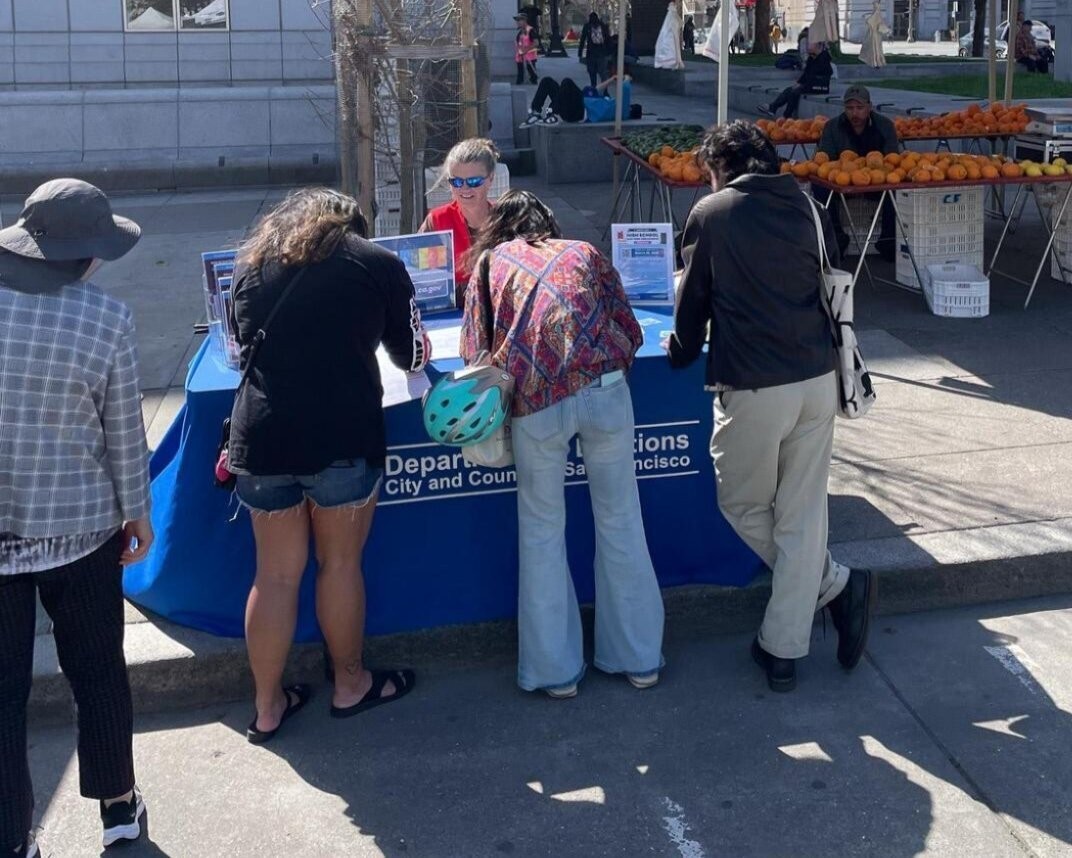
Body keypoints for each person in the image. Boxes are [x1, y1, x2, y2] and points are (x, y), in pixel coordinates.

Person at [667, 121, 875, 693]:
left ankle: (831, 584)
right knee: (802, 514)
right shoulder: (809, 204)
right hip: (816, 376)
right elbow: (833, 269)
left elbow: (691, 312)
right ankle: (784, 645)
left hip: (754, 382)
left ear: (719, 167)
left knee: (741, 501)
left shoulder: (711, 214)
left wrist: (677, 352)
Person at [229, 188, 428, 744]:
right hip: (342, 435)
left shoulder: (252, 267)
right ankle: (350, 684)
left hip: (264, 439)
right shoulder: (377, 263)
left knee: (273, 577)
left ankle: (267, 707)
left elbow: (240, 346)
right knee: (339, 565)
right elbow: (411, 353)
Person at [460, 190, 665, 699]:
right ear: (548, 223)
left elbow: (473, 352)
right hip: (606, 391)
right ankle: (639, 658)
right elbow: (628, 327)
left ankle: (554, 673)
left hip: (537, 404)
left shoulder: (489, 264)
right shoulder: (585, 252)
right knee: (622, 521)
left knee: (541, 532)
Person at [0, 179, 153, 856]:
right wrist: (138, 515)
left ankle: (14, 835)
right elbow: (123, 433)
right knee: (97, 672)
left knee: (2, 700)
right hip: (84, 527)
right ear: (86, 256)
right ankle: (119, 809)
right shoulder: (106, 319)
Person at [815, 84, 899, 261]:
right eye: (850, 108)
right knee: (819, 187)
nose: (855, 113)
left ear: (869, 107)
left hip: (877, 182)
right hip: (841, 183)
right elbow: (825, 160)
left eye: (860, 108)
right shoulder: (832, 127)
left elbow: (893, 160)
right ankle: (836, 237)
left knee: (896, 188)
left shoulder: (885, 126)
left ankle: (888, 240)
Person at [420, 138, 500, 305]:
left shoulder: (505, 220)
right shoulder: (437, 221)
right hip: (453, 314)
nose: (464, 188)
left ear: (490, 178)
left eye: (474, 181)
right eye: (456, 182)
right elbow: (424, 276)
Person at [757, 41, 832, 119]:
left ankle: (787, 115)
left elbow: (820, 73)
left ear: (818, 45)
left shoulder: (824, 58)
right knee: (789, 89)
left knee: (795, 92)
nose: (807, 46)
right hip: (810, 84)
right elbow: (806, 73)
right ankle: (772, 108)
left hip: (820, 86)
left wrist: (802, 84)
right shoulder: (812, 58)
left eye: (810, 44)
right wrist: (799, 82)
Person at [520, 76, 586, 127]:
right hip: (565, 109)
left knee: (567, 82)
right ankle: (536, 111)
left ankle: (552, 113)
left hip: (576, 114)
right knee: (547, 80)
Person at [578, 11, 609, 89]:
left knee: (594, 73)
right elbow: (608, 39)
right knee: (601, 73)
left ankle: (596, 88)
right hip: (599, 53)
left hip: (593, 53)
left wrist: (580, 52)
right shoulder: (602, 26)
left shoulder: (588, 26)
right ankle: (603, 90)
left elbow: (582, 39)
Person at [514, 13, 539, 85]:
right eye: (517, 20)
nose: (517, 22)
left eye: (519, 20)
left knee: (532, 75)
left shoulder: (531, 30)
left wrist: (526, 50)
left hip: (529, 58)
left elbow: (536, 43)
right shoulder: (519, 32)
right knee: (520, 76)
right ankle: (519, 84)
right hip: (520, 57)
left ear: (525, 21)